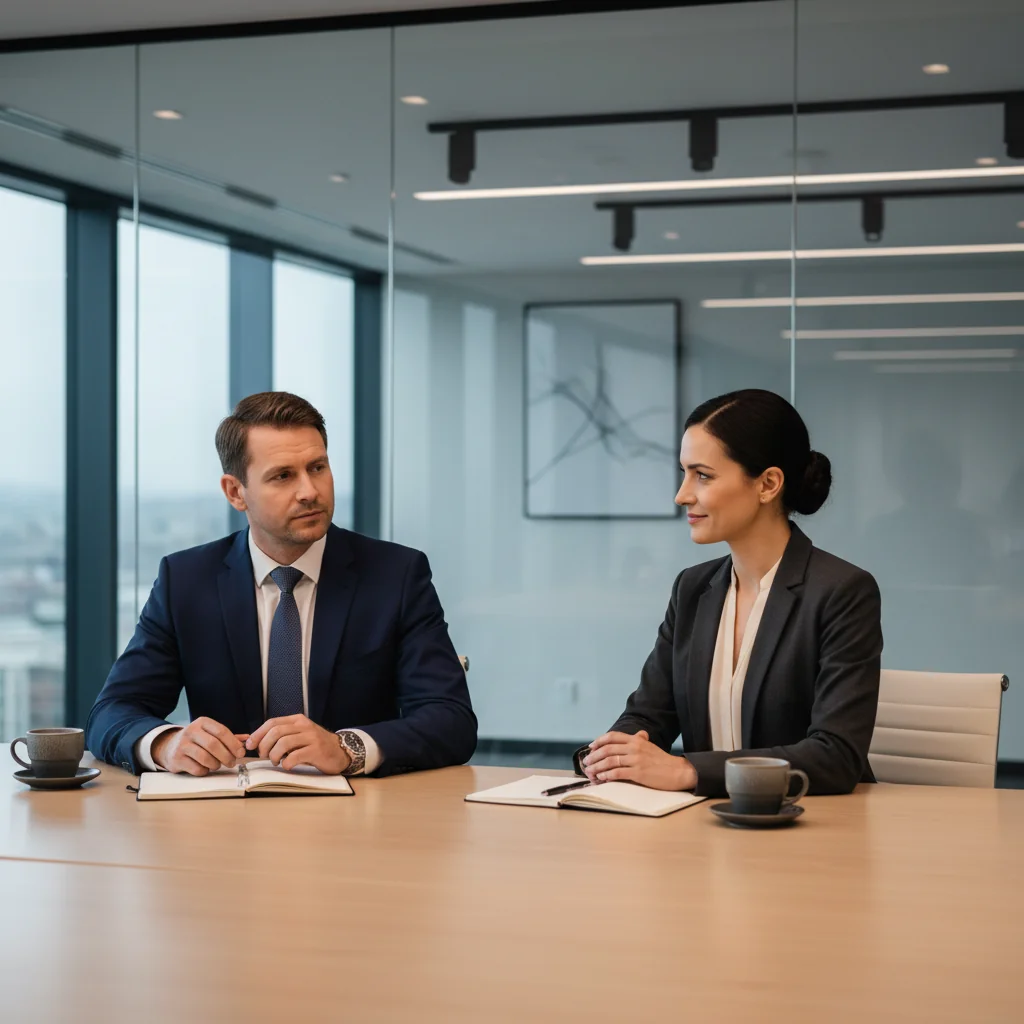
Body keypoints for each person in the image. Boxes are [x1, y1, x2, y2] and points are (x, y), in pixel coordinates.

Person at [87, 391, 477, 778]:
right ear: (236, 492)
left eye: (318, 468)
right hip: (224, 806)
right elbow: (111, 712)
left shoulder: (396, 575)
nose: (310, 491)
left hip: (359, 806)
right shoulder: (186, 580)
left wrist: (347, 748)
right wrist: (165, 743)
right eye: (283, 476)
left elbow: (451, 719)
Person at [579, 389, 882, 798]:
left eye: (702, 475)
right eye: (684, 473)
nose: (682, 494)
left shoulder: (842, 592)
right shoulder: (692, 589)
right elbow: (648, 716)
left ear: (768, 484)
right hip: (708, 821)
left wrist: (688, 771)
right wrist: (610, 756)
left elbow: (835, 757)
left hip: (815, 821)